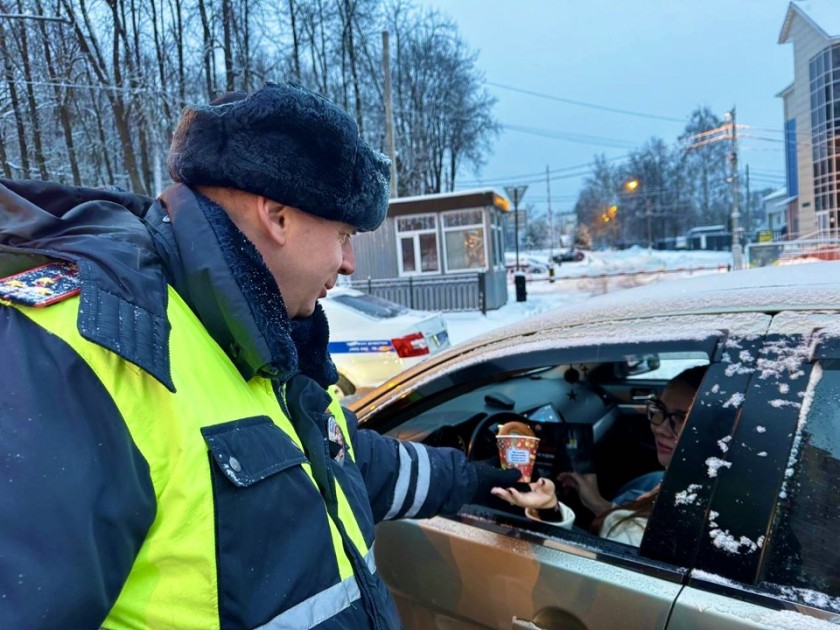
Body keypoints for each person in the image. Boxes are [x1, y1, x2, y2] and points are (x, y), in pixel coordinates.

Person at [0, 82, 521, 629]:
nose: (349, 263)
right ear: (276, 217)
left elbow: (348, 461)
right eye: (344, 234)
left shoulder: (254, 334)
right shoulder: (87, 352)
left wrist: (479, 478)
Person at [493, 365, 706, 546]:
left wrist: (549, 509)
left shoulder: (638, 533)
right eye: (659, 409)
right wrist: (597, 503)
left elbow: (578, 575)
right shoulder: (685, 480)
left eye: (681, 418)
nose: (659, 427)